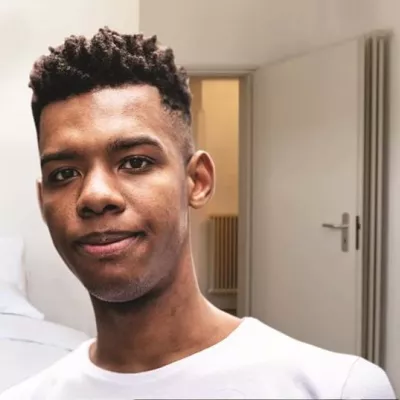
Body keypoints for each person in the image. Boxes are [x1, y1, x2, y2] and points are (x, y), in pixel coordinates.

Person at [0, 27, 396, 399]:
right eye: (64, 173)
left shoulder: (335, 389)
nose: (95, 195)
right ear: (42, 201)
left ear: (197, 181)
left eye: (135, 162)